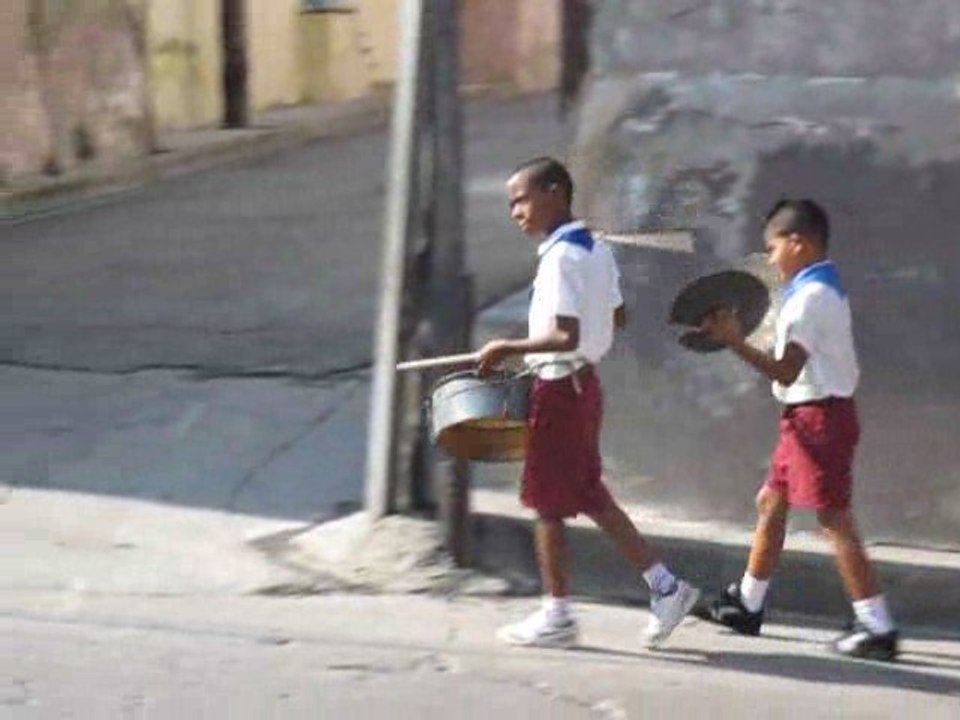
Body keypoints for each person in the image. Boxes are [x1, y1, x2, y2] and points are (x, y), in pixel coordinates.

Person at [477, 157, 699, 649]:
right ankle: (666, 587)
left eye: (522, 198)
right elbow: (616, 318)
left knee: (545, 505)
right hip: (583, 385)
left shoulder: (562, 257)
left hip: (559, 390)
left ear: (555, 192)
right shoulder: (593, 248)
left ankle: (557, 615)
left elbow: (563, 334)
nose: (516, 210)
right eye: (511, 202)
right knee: (589, 494)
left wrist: (505, 348)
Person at [699, 198, 898, 661]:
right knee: (771, 501)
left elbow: (786, 371)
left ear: (798, 243)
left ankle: (877, 624)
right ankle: (748, 602)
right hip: (803, 417)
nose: (769, 258)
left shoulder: (812, 298)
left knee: (833, 518)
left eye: (772, 248)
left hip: (820, 418)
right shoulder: (811, 292)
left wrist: (732, 341)